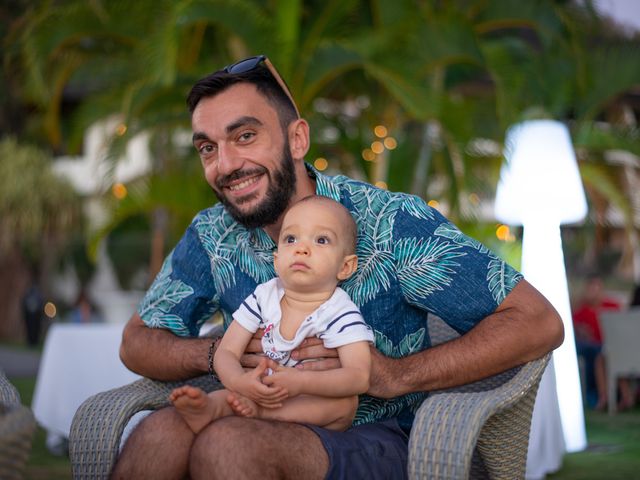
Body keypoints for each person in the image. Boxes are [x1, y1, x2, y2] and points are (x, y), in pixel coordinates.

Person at [113, 54, 563, 479]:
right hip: (258, 409)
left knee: (227, 443)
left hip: (379, 435)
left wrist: (394, 374)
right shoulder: (215, 233)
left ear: (297, 139)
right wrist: (214, 354)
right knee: (160, 431)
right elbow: (137, 341)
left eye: (245, 136)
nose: (226, 164)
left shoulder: (388, 223)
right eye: (208, 148)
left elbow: (537, 321)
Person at [169, 195, 373, 433]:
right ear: (276, 261)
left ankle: (263, 415)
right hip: (261, 392)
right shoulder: (264, 296)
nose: (301, 249)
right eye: (291, 238)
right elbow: (226, 351)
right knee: (228, 393)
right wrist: (240, 381)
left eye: (321, 239)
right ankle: (209, 409)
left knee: (345, 404)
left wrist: (300, 383)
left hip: (311, 401)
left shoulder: (339, 311)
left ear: (345, 267)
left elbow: (359, 377)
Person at [572, 273, 627, 410]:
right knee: (601, 355)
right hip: (599, 349)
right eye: (592, 288)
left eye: (597, 287)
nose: (595, 291)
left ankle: (610, 397)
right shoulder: (581, 312)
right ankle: (609, 396)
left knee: (607, 355)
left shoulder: (613, 306)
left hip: (617, 346)